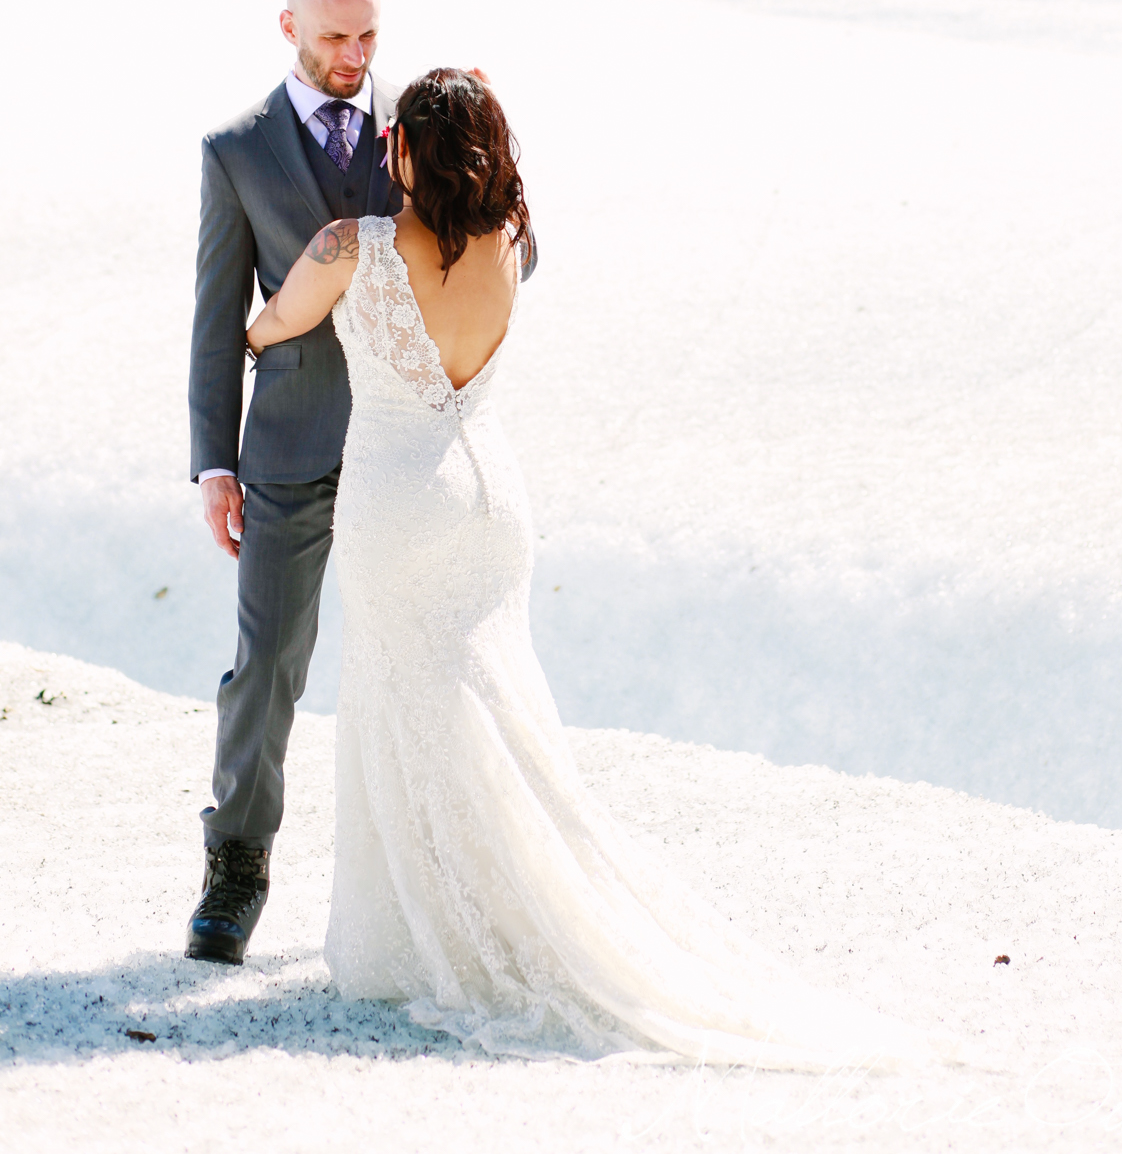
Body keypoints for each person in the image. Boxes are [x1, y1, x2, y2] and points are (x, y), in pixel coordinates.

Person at [242, 65, 932, 1068]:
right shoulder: (508, 240)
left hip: (400, 499)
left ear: (404, 151)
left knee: (405, 701)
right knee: (492, 702)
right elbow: (472, 166)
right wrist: (465, 103)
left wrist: (243, 330)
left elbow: (274, 323)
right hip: (492, 501)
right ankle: (513, 894)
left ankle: (422, 928)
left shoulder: (353, 247)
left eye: (392, 135)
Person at [184, 0, 410, 965]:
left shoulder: (412, 132)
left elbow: (502, 249)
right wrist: (213, 462)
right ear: (288, 28)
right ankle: (236, 864)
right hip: (285, 449)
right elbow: (213, 314)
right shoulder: (234, 148)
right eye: (334, 39)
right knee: (268, 662)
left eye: (368, 37)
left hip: (406, 443)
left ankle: (426, 875)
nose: (355, 58)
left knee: (416, 660)